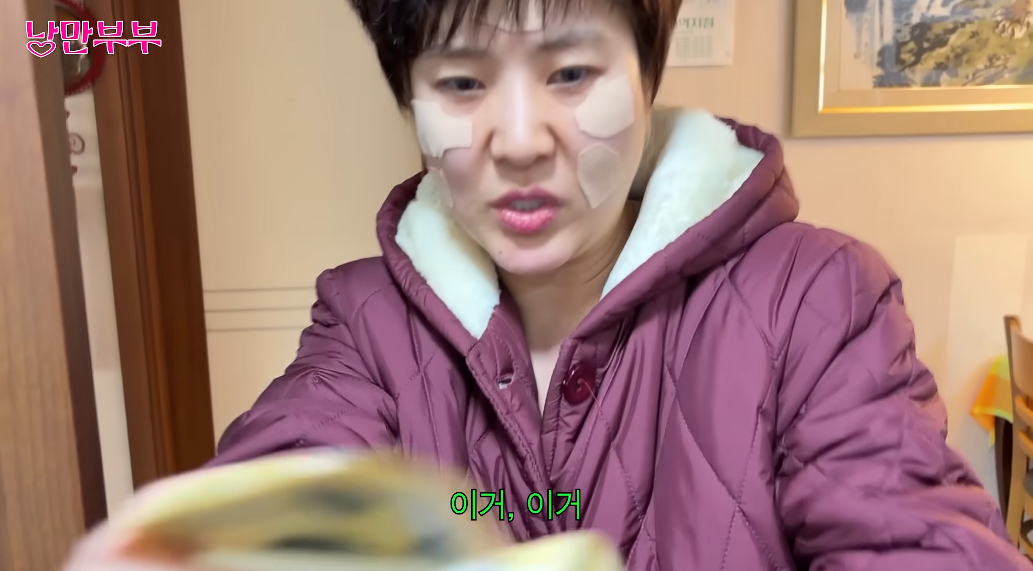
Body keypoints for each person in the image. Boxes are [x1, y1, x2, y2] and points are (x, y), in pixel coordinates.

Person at [65, 0, 1032, 568]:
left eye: (570, 72)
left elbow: (914, 538)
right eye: (461, 83)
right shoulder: (364, 324)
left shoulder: (815, 299)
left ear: (645, 77)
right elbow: (278, 499)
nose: (520, 140)